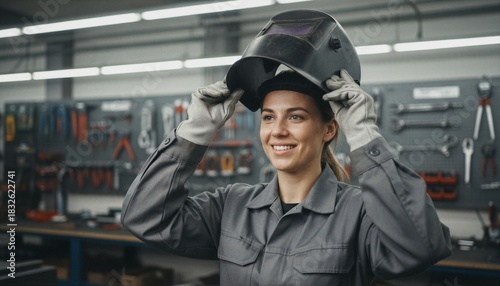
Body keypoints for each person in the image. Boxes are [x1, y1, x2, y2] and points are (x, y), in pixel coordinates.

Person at [121, 68, 452, 285]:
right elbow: (144, 216)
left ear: (329, 129)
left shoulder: (359, 213)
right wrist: (194, 131)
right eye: (268, 117)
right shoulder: (232, 204)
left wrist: (364, 135)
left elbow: (421, 247)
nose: (277, 131)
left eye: (295, 116)